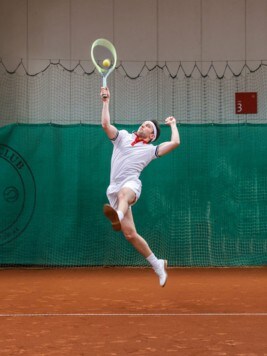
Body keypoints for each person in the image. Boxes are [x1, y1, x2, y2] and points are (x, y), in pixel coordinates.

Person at [100, 86, 180, 287]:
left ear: (152, 136)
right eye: (144, 124)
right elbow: (105, 124)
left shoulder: (151, 150)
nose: (145, 126)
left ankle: (117, 215)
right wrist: (106, 101)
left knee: (124, 194)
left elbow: (175, 142)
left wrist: (173, 124)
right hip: (114, 189)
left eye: (149, 127)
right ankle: (158, 264)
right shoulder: (123, 137)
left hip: (131, 186)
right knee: (129, 234)